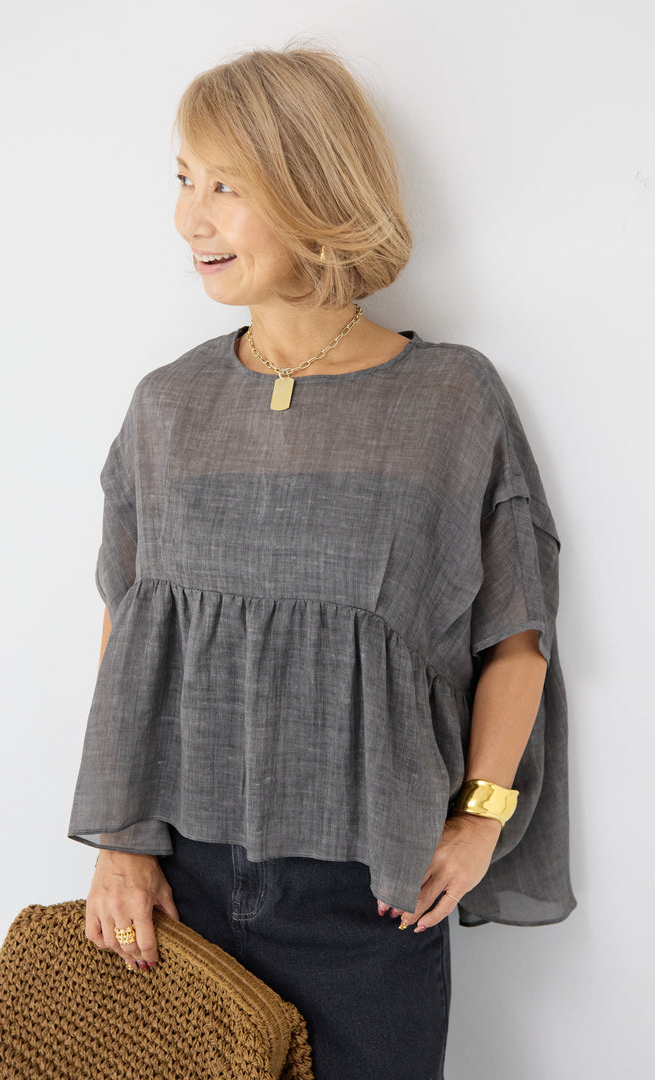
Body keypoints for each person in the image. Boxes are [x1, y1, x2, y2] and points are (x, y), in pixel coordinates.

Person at [69, 45, 576, 1079]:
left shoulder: (451, 399)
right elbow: (130, 642)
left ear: (313, 187)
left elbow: (516, 638)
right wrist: (121, 844)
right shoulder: (167, 405)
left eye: (226, 186)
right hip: (180, 894)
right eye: (183, 180)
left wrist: (480, 822)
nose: (190, 219)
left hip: (371, 900)